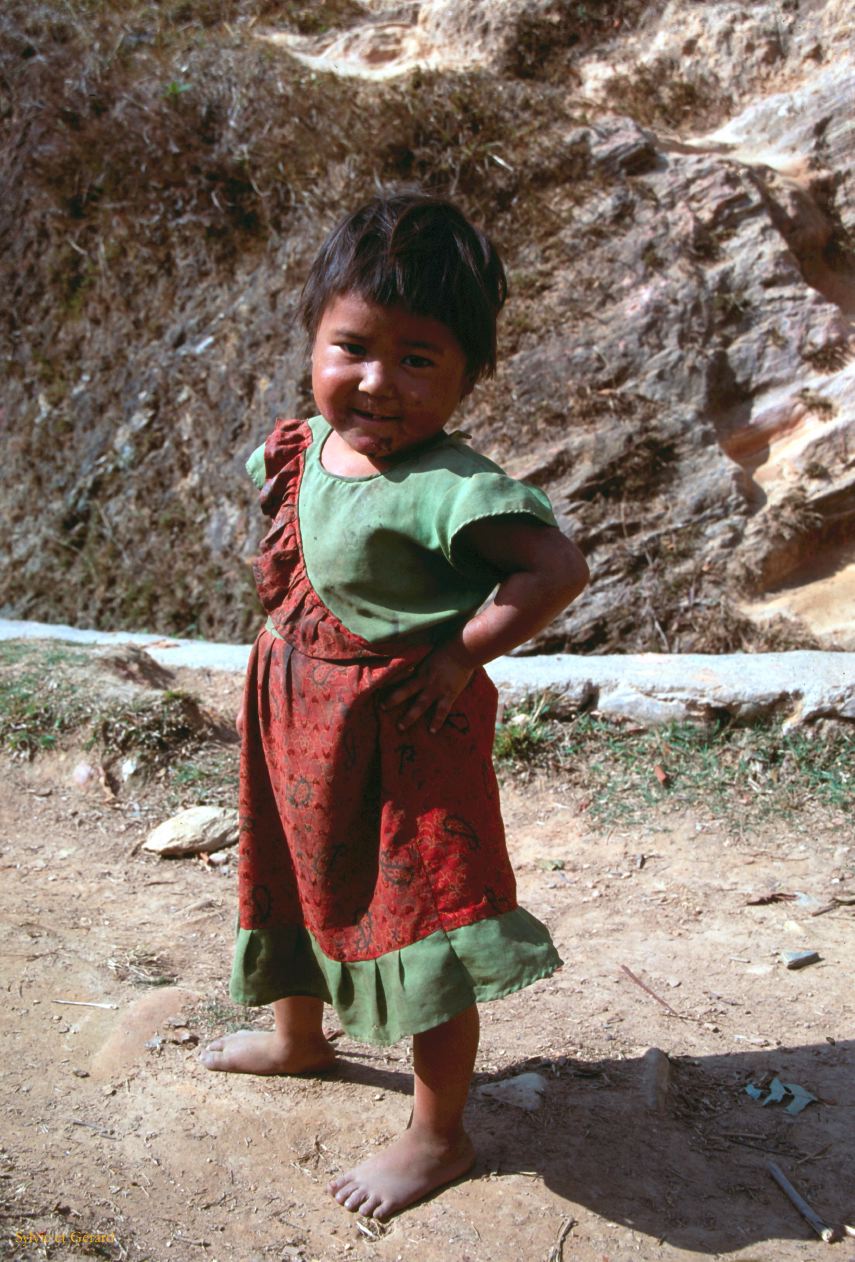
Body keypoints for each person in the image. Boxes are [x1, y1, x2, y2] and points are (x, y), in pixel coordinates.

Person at [200, 190, 589, 1220]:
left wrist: (459, 656)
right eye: (353, 348)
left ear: (468, 374)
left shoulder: (451, 485)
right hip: (296, 726)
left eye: (418, 359)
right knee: (293, 875)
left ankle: (438, 1133)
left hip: (405, 743)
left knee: (427, 926)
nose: (378, 382)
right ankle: (298, 1036)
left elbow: (553, 570)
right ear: (313, 338)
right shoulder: (304, 448)